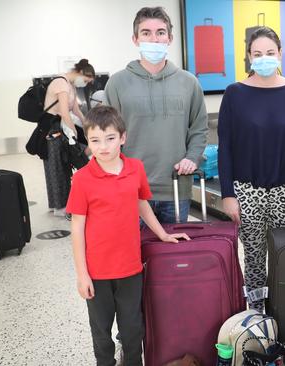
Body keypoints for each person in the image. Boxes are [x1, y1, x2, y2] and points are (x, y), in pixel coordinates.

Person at [67, 105, 190, 366]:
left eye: (110, 138)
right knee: (102, 335)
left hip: (131, 269)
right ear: (88, 142)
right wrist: (82, 275)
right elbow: (77, 228)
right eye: (95, 140)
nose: (103, 147)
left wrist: (163, 235)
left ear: (123, 137)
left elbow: (141, 204)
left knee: (133, 331)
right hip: (97, 273)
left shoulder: (135, 168)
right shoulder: (83, 179)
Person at [217, 26, 285, 312]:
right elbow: (225, 148)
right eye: (257, 53)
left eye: (270, 53)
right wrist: (228, 194)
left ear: (280, 54)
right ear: (249, 57)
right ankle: (257, 314)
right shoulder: (235, 94)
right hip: (247, 190)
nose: (264, 58)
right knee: (253, 256)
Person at [104, 6, 208, 224]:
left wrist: (191, 157)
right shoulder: (117, 83)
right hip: (132, 189)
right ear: (135, 39)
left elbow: (199, 129)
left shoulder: (189, 83)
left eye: (160, 32)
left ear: (169, 38)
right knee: (135, 254)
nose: (154, 39)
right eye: (146, 33)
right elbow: (107, 134)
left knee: (174, 256)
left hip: (176, 186)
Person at [42, 58, 95, 217]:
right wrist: (75, 133)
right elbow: (65, 113)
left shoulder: (70, 85)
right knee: (56, 166)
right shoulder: (61, 84)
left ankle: (60, 203)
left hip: (61, 127)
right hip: (53, 129)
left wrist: (89, 128)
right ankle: (59, 207)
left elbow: (77, 111)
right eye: (85, 80)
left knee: (63, 165)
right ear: (80, 73)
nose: (84, 84)